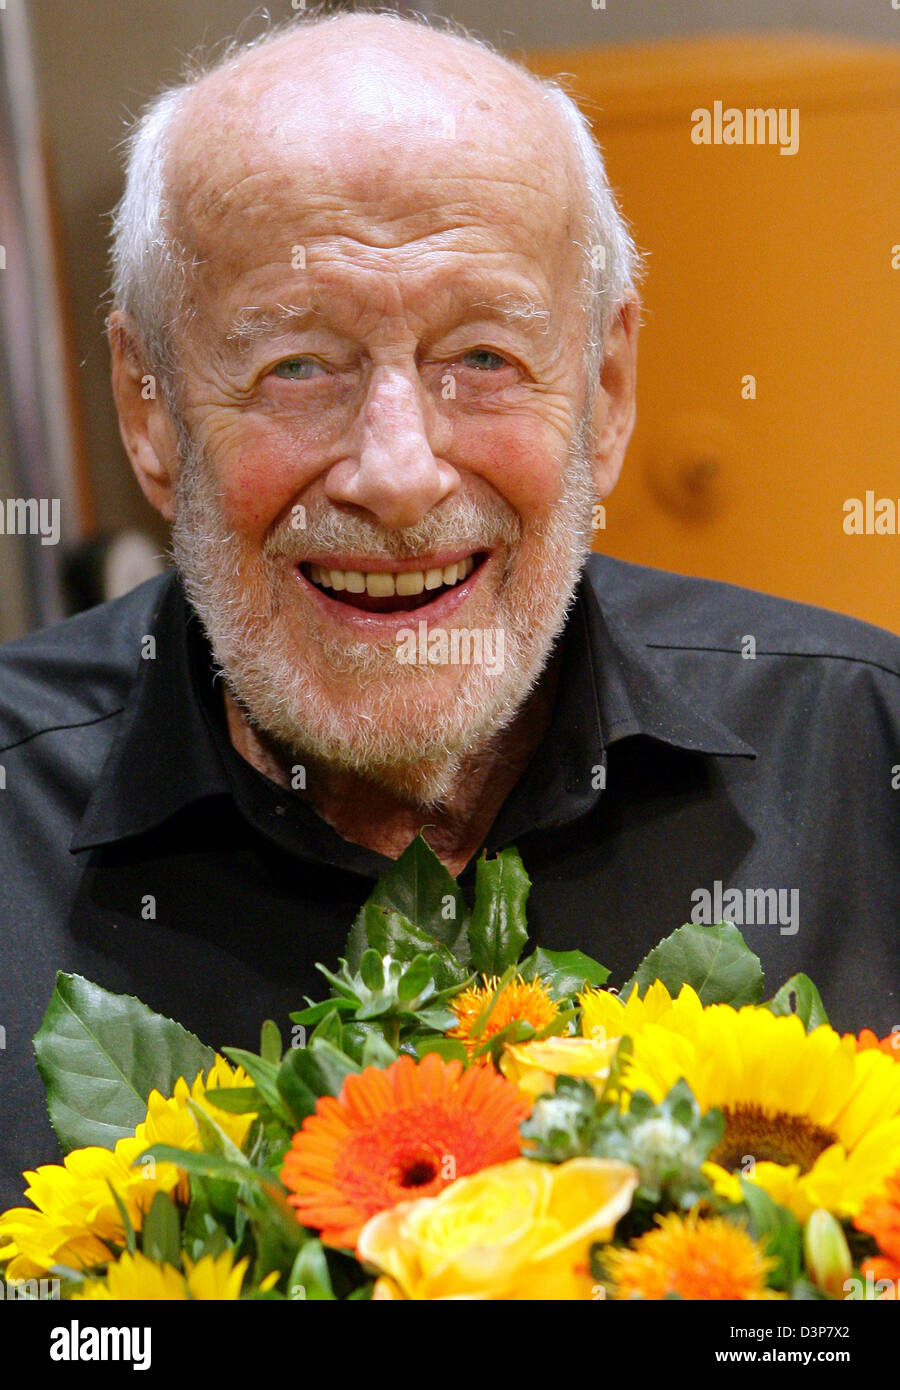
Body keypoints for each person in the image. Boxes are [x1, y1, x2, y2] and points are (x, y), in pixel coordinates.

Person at [1, 9, 898, 1210]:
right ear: (150, 405)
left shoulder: (865, 755)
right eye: (296, 367)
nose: (399, 470)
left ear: (608, 385)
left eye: (481, 357)